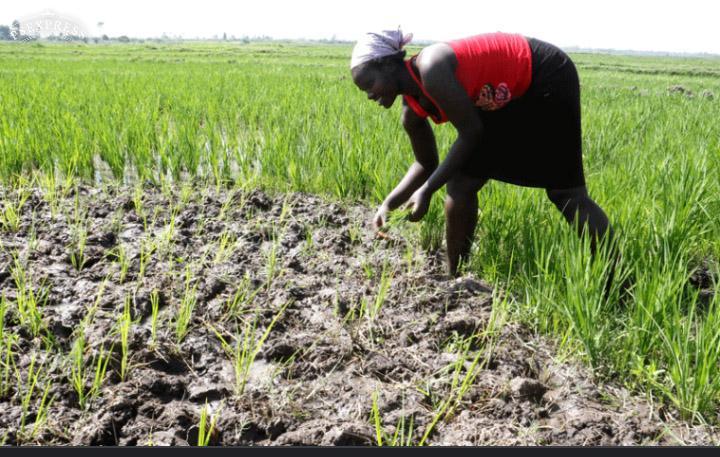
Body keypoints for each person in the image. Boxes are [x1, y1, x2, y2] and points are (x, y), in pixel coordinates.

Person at [350, 29, 613, 277]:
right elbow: (424, 163)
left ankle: (618, 281)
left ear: (387, 64)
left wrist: (427, 191)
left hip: (545, 73)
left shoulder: (432, 68)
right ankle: (455, 278)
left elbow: (471, 133)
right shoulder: (412, 113)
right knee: (462, 182)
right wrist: (389, 204)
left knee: (566, 193)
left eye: (369, 84)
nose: (370, 95)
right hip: (505, 97)